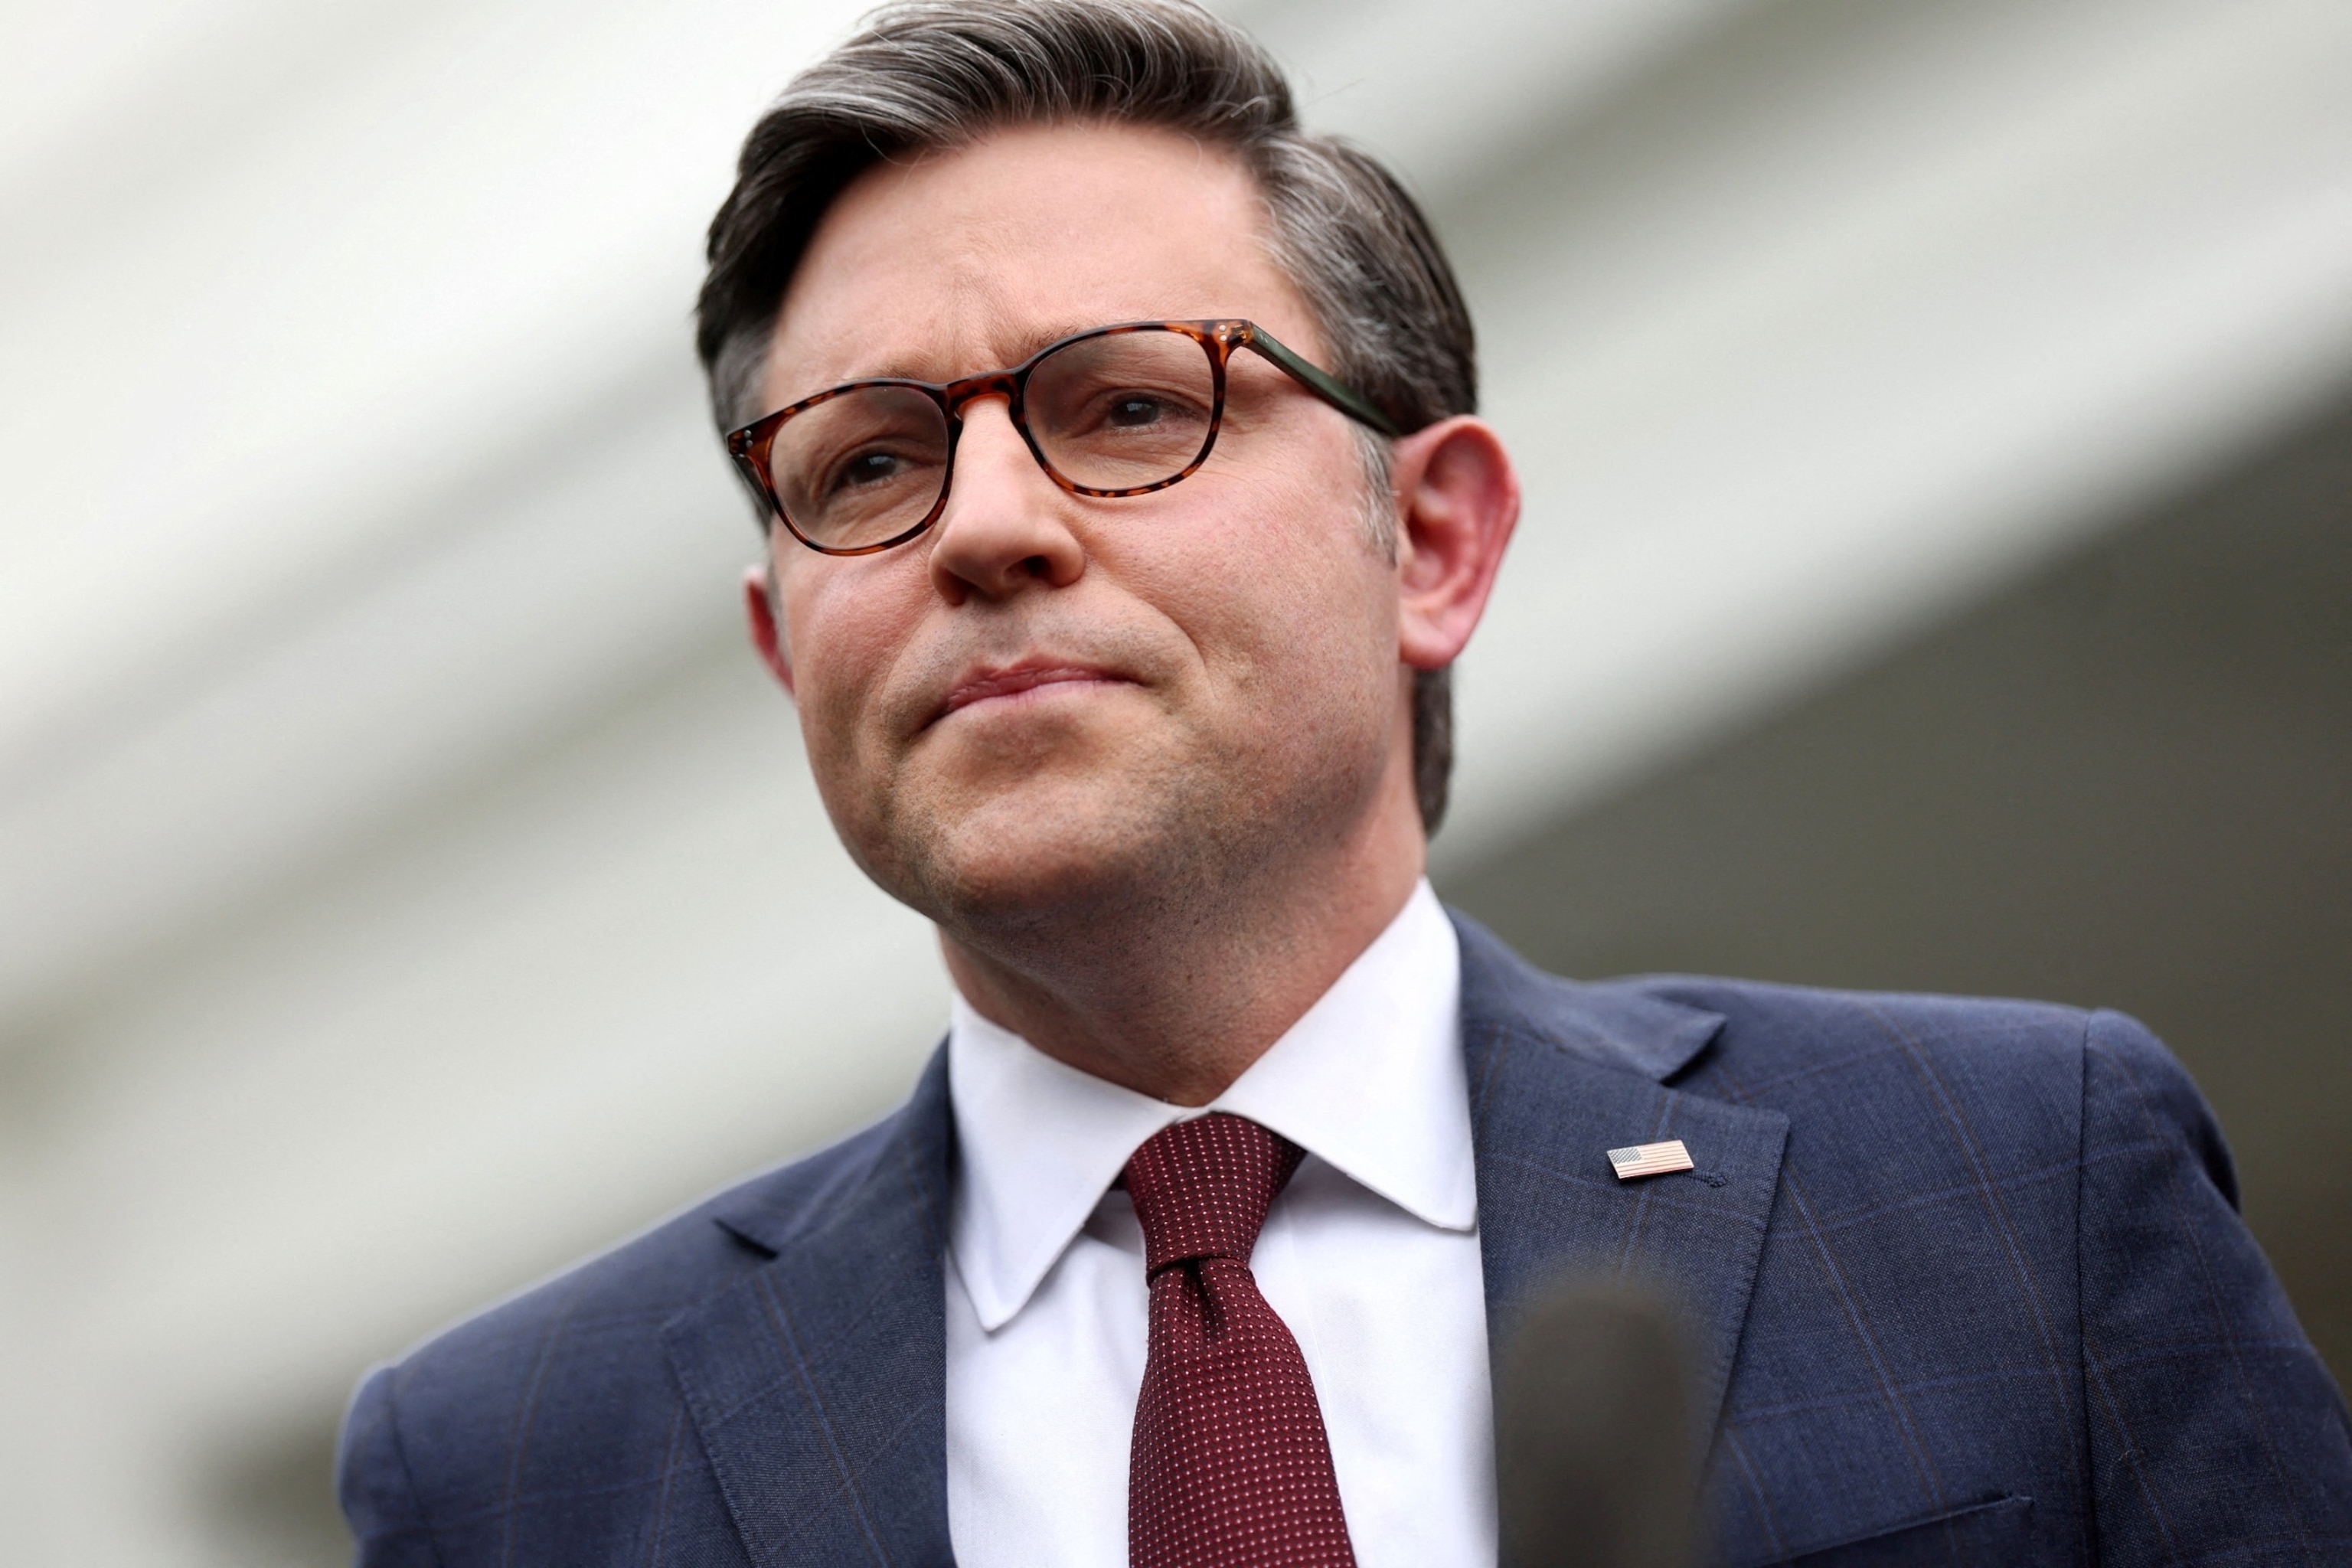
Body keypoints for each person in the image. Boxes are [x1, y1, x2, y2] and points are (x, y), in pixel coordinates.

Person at [336, 2, 2352, 1563]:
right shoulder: (518, 1468)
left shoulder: (2014, 1184)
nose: (985, 528)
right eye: (865, 464)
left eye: (1125, 404)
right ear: (789, 651)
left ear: (1440, 539)